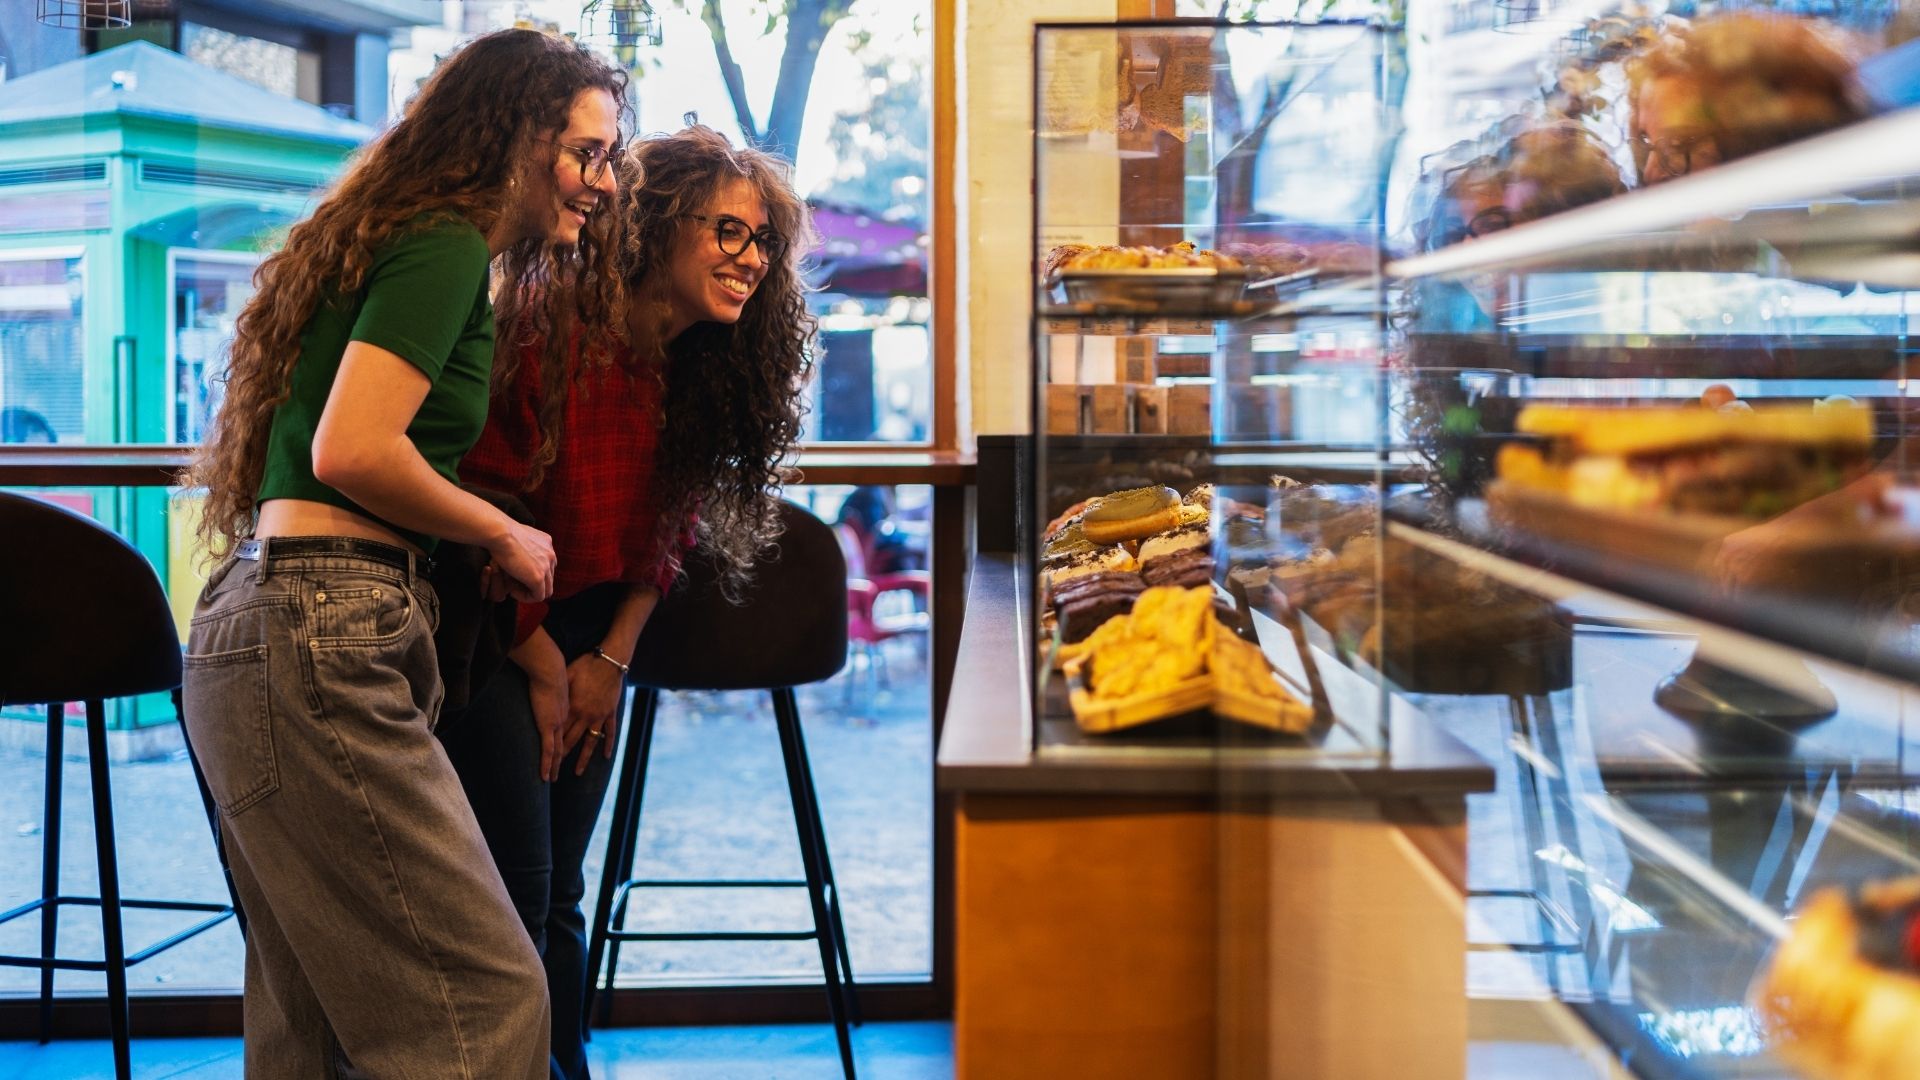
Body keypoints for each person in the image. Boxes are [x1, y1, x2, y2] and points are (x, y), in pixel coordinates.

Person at [179, 29, 628, 1079]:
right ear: (518, 137)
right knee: (488, 1005)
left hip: (267, 624)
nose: (603, 184)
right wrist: (501, 528)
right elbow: (353, 448)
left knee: (315, 1026)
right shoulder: (445, 243)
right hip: (324, 630)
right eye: (588, 153)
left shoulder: (395, 235)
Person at [442, 123, 815, 1080]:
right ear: (657, 224)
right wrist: (544, 666)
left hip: (594, 635)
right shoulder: (545, 323)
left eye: (763, 241)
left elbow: (666, 532)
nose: (752, 260)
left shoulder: (701, 365)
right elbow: (474, 508)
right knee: (514, 898)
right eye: (729, 233)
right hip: (492, 626)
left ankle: (563, 1065)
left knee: (560, 891)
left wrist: (606, 662)